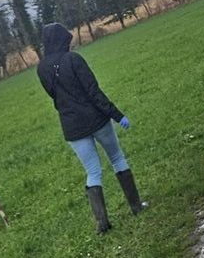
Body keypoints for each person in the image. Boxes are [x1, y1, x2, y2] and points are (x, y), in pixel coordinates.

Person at [36, 23, 147, 234]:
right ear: (63, 40)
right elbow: (93, 91)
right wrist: (117, 115)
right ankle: (136, 206)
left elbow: (56, 97)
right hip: (97, 119)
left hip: (72, 127)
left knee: (93, 171)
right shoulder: (74, 59)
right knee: (117, 158)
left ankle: (102, 223)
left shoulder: (41, 69)